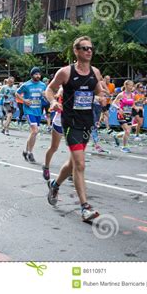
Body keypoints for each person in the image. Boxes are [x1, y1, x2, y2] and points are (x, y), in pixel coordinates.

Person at [45, 36, 105, 222]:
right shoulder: (65, 72)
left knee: (72, 163)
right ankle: (85, 208)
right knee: (80, 164)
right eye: (85, 48)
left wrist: (102, 97)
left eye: (91, 48)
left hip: (87, 122)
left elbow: (99, 91)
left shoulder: (95, 72)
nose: (89, 51)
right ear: (76, 51)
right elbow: (49, 89)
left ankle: (55, 184)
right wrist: (54, 101)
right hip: (70, 123)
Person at [15, 67, 47, 163]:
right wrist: (24, 100)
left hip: (38, 111)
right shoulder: (26, 85)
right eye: (36, 74)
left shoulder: (42, 85)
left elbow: (45, 95)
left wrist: (46, 97)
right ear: (32, 75)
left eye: (39, 74)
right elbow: (17, 93)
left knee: (34, 133)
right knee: (35, 131)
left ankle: (25, 151)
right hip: (29, 111)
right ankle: (30, 153)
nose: (38, 76)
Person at [43, 87, 64, 181]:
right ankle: (46, 166)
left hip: (73, 123)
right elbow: (59, 92)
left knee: (74, 149)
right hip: (59, 121)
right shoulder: (63, 89)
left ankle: (71, 170)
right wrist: (55, 100)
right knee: (54, 147)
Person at [111, 80, 135, 153]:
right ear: (126, 85)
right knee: (127, 131)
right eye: (130, 85)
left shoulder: (133, 95)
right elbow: (113, 103)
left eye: (132, 85)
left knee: (128, 132)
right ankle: (124, 147)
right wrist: (118, 108)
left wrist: (136, 108)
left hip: (129, 114)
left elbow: (132, 104)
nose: (131, 87)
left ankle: (117, 136)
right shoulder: (121, 94)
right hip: (121, 115)